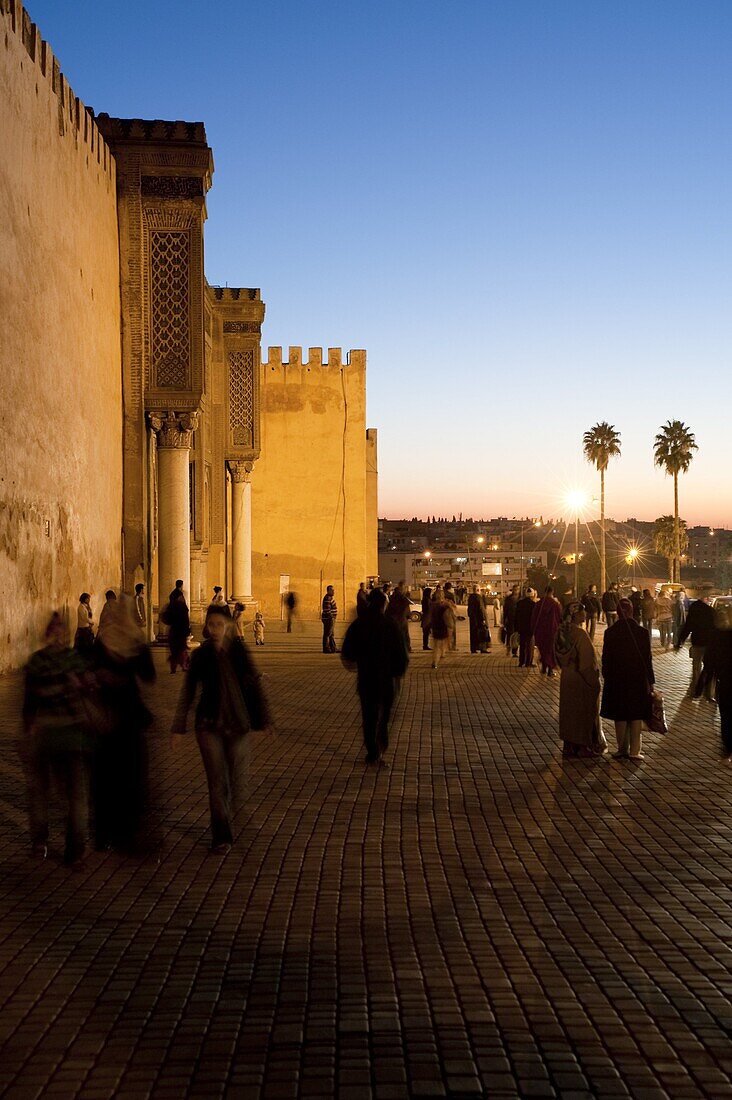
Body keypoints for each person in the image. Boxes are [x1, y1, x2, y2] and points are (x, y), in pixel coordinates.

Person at [172, 604, 273, 853]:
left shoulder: (238, 651)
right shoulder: (202, 655)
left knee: (236, 779)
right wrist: (178, 726)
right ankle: (221, 835)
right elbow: (188, 691)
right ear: (207, 628)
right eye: (211, 625)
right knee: (217, 782)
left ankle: (235, 814)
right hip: (208, 725)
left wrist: (264, 720)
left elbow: (252, 684)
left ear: (227, 625)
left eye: (219, 624)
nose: (215, 629)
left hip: (237, 724)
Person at [22, 613, 92, 865]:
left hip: (50, 736)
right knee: (72, 796)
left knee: (43, 793)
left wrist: (28, 730)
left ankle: (42, 842)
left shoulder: (37, 662)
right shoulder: (72, 660)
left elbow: (29, 705)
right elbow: (86, 692)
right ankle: (72, 849)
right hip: (65, 736)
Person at [92, 597, 156, 853]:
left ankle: (125, 831)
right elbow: (87, 671)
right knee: (106, 779)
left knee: (129, 776)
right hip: (106, 718)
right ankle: (106, 833)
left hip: (127, 717)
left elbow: (148, 675)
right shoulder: (102, 642)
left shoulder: (133, 642)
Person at [341, 588, 409, 767]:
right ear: (383, 604)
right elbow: (401, 653)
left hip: (366, 678)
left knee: (369, 717)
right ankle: (381, 743)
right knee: (384, 715)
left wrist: (354, 662)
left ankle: (372, 751)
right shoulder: (390, 624)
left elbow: (347, 651)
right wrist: (399, 670)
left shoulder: (359, 624)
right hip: (386, 679)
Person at [601, 598, 654, 761]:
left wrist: (606, 675)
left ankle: (621, 748)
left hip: (617, 677)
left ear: (617, 612)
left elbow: (606, 658)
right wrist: (651, 681)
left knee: (620, 714)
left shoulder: (610, 632)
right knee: (636, 713)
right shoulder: (642, 632)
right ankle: (635, 750)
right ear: (631, 611)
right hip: (637, 677)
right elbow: (647, 659)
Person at [554, 606, 607, 757]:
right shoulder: (580, 634)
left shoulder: (560, 632)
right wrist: (594, 681)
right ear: (576, 615)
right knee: (584, 712)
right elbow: (586, 662)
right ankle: (584, 746)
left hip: (567, 678)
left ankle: (569, 745)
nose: (586, 613)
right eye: (582, 610)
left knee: (569, 712)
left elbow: (556, 654)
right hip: (581, 679)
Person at [701, 605, 732, 759]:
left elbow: (709, 661)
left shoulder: (717, 636)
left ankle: (728, 743)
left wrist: (707, 682)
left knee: (726, 714)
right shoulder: (718, 636)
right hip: (725, 680)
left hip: (725, 681)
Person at [676, 595, 715, 699]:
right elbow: (715, 628)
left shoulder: (694, 610)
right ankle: (708, 692)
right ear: (705, 599)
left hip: (697, 642)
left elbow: (688, 625)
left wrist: (681, 639)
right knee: (708, 668)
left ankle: (695, 690)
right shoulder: (711, 611)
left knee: (696, 667)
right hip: (708, 644)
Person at [530, 587, 562, 676]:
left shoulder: (539, 604)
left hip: (540, 630)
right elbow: (559, 617)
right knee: (550, 650)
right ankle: (550, 670)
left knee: (543, 649)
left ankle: (544, 667)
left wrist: (533, 629)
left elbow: (534, 617)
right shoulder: (555, 604)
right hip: (552, 630)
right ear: (552, 592)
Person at [165, 587, 190, 673]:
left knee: (174, 650)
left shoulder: (171, 606)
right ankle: (184, 665)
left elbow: (166, 618)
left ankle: (173, 667)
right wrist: (187, 630)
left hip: (173, 631)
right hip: (181, 631)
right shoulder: (183, 607)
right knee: (182, 649)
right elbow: (186, 620)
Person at [429, 592, 455, 669]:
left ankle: (436, 659)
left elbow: (430, 616)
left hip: (435, 626)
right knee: (439, 645)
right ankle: (436, 661)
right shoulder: (444, 606)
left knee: (436, 645)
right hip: (442, 627)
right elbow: (450, 616)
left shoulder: (433, 605)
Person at [386, 580, 412, 653]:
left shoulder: (395, 596)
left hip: (398, 618)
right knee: (403, 634)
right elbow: (405, 605)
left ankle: (405, 647)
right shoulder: (400, 596)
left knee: (402, 634)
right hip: (400, 618)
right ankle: (405, 648)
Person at [515, 587, 537, 667]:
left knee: (522, 645)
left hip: (521, 628)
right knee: (530, 646)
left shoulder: (519, 603)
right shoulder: (534, 604)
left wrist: (516, 627)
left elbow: (516, 616)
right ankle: (528, 662)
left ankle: (521, 662)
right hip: (530, 628)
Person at [467, 585, 489, 654]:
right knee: (482, 633)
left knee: (473, 634)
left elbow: (469, 609)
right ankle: (483, 648)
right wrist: (483, 619)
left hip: (473, 619)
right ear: (478, 590)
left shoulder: (470, 597)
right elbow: (481, 609)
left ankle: (473, 649)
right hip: (479, 619)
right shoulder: (478, 598)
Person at [503, 585, 520, 656]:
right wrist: (504, 620)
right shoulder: (508, 599)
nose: (515, 591)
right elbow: (505, 610)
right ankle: (508, 649)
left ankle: (515, 651)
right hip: (510, 620)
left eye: (516, 589)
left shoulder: (520, 599)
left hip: (518, 620)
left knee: (516, 636)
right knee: (509, 635)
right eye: (514, 589)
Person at [321, 585, 338, 653]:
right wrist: (331, 617)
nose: (333, 591)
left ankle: (333, 648)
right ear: (328, 591)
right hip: (329, 618)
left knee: (331, 634)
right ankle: (326, 648)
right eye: (332, 590)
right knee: (328, 634)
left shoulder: (330, 598)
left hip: (330, 618)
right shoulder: (328, 598)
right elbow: (327, 609)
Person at [443, 582, 458, 650]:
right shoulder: (450, 595)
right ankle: (452, 646)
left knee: (444, 631)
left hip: (442, 615)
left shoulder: (441, 594)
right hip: (450, 614)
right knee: (452, 631)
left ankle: (445, 646)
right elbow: (454, 605)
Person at [420, 585, 432, 651]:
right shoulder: (426, 600)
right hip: (427, 617)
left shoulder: (426, 599)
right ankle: (425, 645)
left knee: (426, 632)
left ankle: (425, 645)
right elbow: (427, 609)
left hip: (427, 617)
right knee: (426, 632)